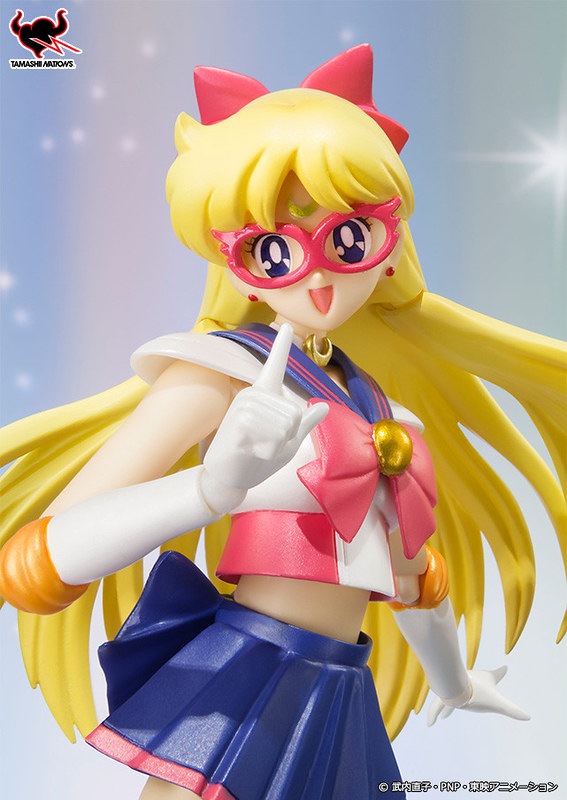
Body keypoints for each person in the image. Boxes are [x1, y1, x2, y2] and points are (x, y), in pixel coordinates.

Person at [0, 45, 565, 800]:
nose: (318, 274)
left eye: (348, 237)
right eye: (273, 251)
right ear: (230, 261)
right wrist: (208, 489)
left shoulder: (384, 413)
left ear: (390, 244)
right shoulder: (221, 373)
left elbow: (412, 581)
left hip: (343, 687)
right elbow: (39, 563)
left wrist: (455, 683)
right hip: (245, 671)